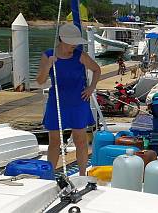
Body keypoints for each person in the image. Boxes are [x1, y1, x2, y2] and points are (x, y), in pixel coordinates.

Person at [36, 23, 101, 176]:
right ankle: (49, 175)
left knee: (80, 140)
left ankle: (82, 174)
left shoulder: (80, 55)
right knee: (54, 142)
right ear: (63, 40)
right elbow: (40, 81)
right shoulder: (48, 55)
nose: (75, 45)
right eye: (73, 42)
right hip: (57, 103)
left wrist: (91, 87)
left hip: (78, 102)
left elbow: (97, 69)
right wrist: (47, 66)